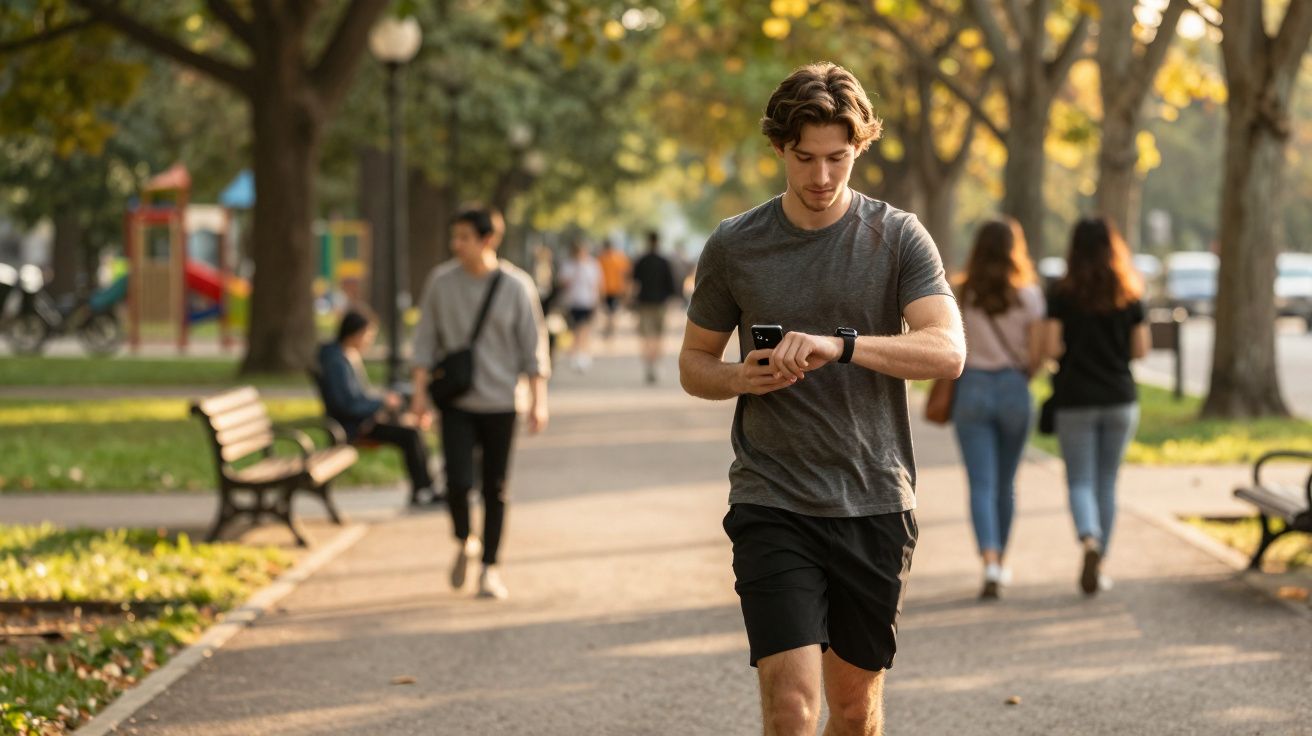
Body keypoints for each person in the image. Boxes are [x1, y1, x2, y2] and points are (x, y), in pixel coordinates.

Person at [678, 62, 964, 735]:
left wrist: (843, 346)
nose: (822, 176)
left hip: (874, 498)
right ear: (780, 148)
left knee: (854, 710)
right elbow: (693, 363)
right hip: (772, 498)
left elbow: (948, 350)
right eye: (805, 158)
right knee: (791, 707)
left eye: (838, 157)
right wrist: (740, 378)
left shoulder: (897, 236)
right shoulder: (736, 245)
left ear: (859, 148)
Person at [410, 208, 550, 601]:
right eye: (454, 236)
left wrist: (538, 401)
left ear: (488, 240)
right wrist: (419, 396)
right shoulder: (441, 283)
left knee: (495, 488)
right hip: (457, 401)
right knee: (456, 483)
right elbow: (424, 341)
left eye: (464, 237)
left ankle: (490, 568)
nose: (456, 244)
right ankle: (464, 538)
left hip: (502, 402)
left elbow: (533, 346)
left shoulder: (516, 286)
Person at [1043, 217, 1150, 596]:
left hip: (1075, 398)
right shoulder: (1129, 291)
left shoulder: (1062, 293)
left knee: (1080, 480)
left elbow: (1052, 347)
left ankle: (1088, 537)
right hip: (1120, 398)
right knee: (1107, 481)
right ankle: (1100, 560)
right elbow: (1141, 349)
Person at [952, 219, 1046, 600]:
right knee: (1006, 483)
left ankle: (989, 562)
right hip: (1014, 388)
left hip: (972, 387)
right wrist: (1022, 375)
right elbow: (1037, 354)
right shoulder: (1030, 296)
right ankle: (1001, 561)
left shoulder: (962, 292)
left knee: (981, 483)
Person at [317, 309, 438, 507]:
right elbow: (346, 405)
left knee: (411, 427)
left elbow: (355, 398)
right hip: (354, 426)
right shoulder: (337, 362)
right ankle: (423, 489)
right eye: (368, 335)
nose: (370, 340)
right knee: (410, 434)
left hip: (362, 420)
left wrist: (383, 402)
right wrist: (381, 403)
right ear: (355, 333)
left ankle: (425, 488)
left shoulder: (344, 355)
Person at [631, 230, 679, 384]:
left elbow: (634, 283)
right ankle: (656, 363)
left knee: (646, 335)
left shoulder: (641, 261)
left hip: (644, 303)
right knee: (659, 335)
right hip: (660, 304)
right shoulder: (664, 261)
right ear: (658, 241)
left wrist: (630, 301)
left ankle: (649, 364)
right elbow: (671, 285)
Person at [557, 240, 602, 372]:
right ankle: (576, 353)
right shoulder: (568, 265)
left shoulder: (592, 265)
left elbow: (597, 284)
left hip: (587, 301)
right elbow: (561, 283)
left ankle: (583, 354)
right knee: (574, 329)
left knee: (584, 328)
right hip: (572, 302)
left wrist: (598, 301)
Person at [597, 238, 631, 340]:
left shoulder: (602, 259)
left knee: (611, 312)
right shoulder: (618, 258)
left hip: (611, 290)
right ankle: (610, 329)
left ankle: (610, 329)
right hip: (611, 289)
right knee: (611, 312)